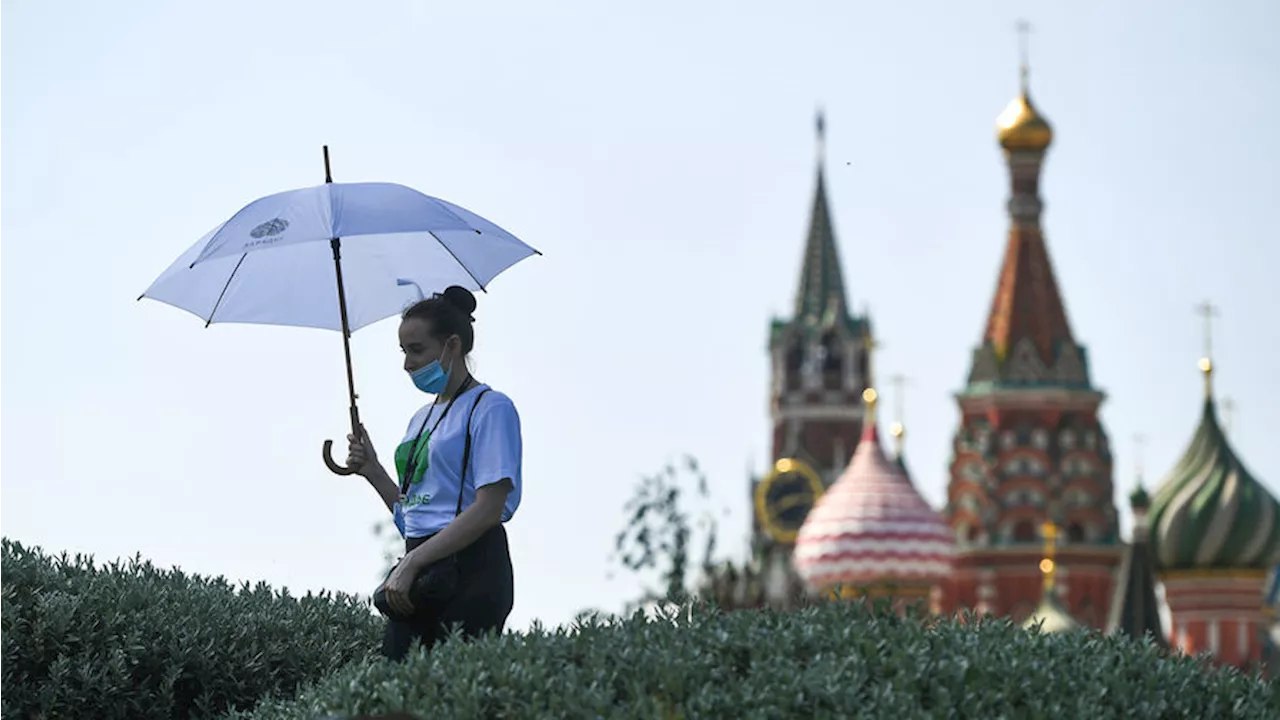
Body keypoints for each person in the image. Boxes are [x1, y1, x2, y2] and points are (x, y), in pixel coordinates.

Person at [344, 285, 522, 661]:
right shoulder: (420, 419)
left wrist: (412, 562)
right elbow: (416, 515)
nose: (407, 364)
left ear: (452, 346)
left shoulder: (491, 408)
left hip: (472, 570)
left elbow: (490, 508)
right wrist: (372, 470)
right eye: (404, 351)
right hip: (421, 572)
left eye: (417, 350)